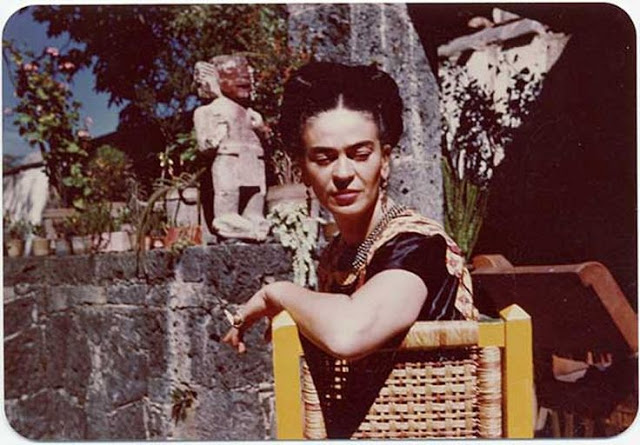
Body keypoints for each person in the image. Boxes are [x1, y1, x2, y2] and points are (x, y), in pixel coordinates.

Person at [223, 62, 478, 437]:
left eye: (360, 154)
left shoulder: (417, 245)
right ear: (303, 170)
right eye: (324, 158)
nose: (343, 173)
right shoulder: (338, 254)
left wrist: (275, 292)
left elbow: (349, 333)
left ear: (385, 161)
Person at [193, 55, 270, 241]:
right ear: (215, 79)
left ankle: (253, 225)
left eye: (245, 73)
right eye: (231, 72)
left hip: (254, 160)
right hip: (229, 160)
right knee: (228, 201)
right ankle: (228, 223)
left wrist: (262, 128)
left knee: (256, 208)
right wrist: (216, 137)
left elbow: (269, 142)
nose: (242, 76)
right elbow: (204, 145)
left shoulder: (251, 113)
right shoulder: (207, 111)